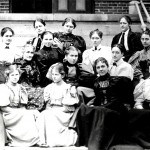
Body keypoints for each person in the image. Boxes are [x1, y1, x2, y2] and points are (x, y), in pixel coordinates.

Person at [76, 57, 133, 150]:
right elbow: (98, 98)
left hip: (115, 109)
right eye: (98, 67)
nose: (101, 69)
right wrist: (94, 106)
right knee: (84, 109)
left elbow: (116, 100)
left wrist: (101, 107)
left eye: (103, 66)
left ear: (108, 67)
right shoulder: (96, 82)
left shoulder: (116, 80)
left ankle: (98, 142)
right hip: (102, 108)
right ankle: (86, 140)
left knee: (100, 111)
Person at [37, 63, 78, 147]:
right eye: (52, 74)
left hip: (64, 113)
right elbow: (48, 105)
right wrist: (50, 110)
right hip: (52, 110)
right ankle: (43, 140)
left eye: (56, 74)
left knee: (50, 115)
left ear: (62, 75)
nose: (54, 77)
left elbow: (68, 108)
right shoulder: (49, 87)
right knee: (43, 115)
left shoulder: (68, 88)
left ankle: (53, 141)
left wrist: (54, 111)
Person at [0, 64, 39, 146]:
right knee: (26, 115)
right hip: (8, 114)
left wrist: (22, 111)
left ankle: (35, 138)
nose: (15, 77)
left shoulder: (20, 87)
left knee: (35, 113)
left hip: (18, 112)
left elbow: (23, 105)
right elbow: (3, 107)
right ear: (8, 76)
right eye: (12, 75)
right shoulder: (3, 87)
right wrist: (19, 113)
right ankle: (24, 141)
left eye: (17, 74)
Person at [15, 44, 44, 111]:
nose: (30, 55)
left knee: (41, 90)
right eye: (27, 52)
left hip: (33, 86)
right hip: (20, 87)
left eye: (31, 52)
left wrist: (32, 72)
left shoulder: (34, 63)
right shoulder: (17, 63)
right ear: (23, 53)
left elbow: (37, 79)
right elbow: (15, 78)